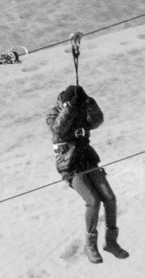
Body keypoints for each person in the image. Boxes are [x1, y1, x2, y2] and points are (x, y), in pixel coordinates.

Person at [47, 82, 125, 262]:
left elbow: (96, 121)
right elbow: (58, 129)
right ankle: (90, 244)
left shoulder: (82, 108)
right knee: (93, 200)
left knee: (110, 198)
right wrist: (69, 108)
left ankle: (111, 242)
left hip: (87, 159)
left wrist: (89, 102)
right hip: (69, 164)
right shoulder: (54, 112)